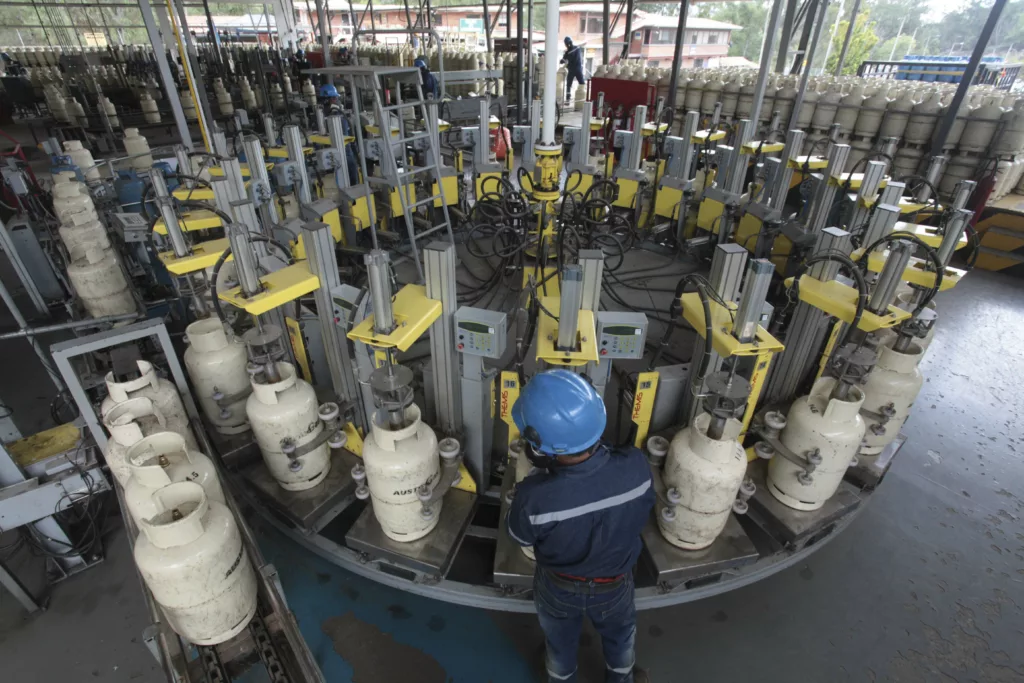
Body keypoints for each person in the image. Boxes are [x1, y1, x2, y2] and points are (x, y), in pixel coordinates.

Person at [507, 370, 655, 683]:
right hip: (615, 584)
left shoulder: (534, 499)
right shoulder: (636, 466)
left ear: (538, 449)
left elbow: (519, 536)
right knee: (621, 635)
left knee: (559, 644)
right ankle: (621, 679)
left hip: (558, 587)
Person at [561, 37, 585, 103]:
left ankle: (568, 100)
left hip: (572, 70)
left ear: (566, 44)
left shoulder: (568, 52)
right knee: (582, 83)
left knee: (568, 85)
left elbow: (564, 60)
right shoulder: (577, 48)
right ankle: (583, 99)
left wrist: (562, 60)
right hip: (578, 70)